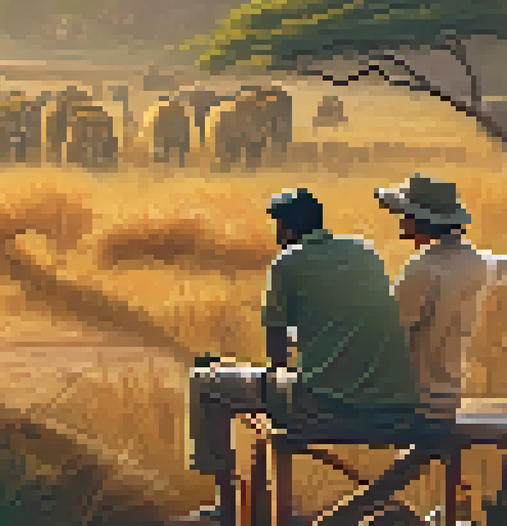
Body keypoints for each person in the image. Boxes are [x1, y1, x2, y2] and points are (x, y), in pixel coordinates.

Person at [186, 189, 421, 524]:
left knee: (205, 382)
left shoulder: (287, 263)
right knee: (240, 378)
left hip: (326, 406)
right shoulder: (365, 253)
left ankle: (227, 507)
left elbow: (277, 356)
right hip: (388, 402)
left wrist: (267, 376)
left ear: (286, 229)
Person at [379, 174, 496, 422]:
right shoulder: (475, 262)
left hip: (413, 398)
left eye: (406, 215)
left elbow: (390, 336)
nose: (401, 221)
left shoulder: (422, 269)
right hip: (449, 393)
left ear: (423, 221)